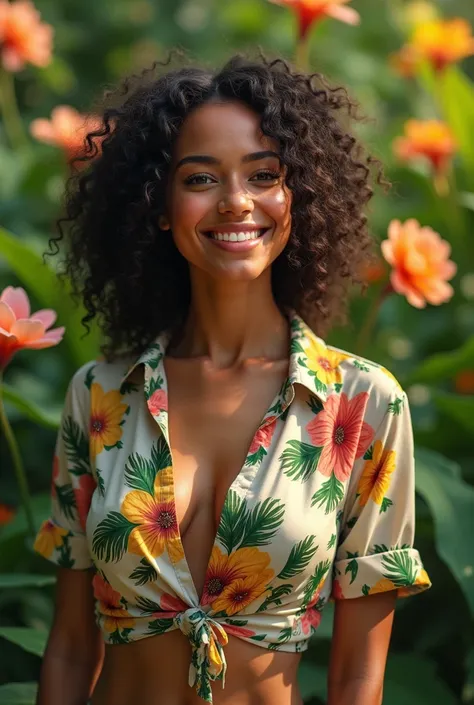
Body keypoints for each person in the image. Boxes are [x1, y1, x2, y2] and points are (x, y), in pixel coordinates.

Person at [33, 53, 431, 705]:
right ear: (158, 204)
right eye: (200, 178)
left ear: (296, 194)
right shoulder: (100, 395)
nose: (238, 201)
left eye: (264, 174)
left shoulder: (362, 403)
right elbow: (73, 649)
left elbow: (360, 676)